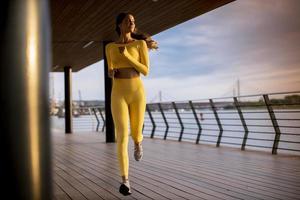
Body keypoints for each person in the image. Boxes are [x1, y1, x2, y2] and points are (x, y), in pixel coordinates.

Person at [105, 12, 158, 196]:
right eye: (128, 21)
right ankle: (125, 180)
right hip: (118, 93)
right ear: (120, 24)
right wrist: (112, 73)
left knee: (135, 132)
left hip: (137, 92)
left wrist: (127, 56)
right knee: (121, 136)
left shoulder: (140, 44)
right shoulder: (110, 47)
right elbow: (110, 70)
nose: (132, 23)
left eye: (134, 21)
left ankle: (138, 142)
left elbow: (145, 70)